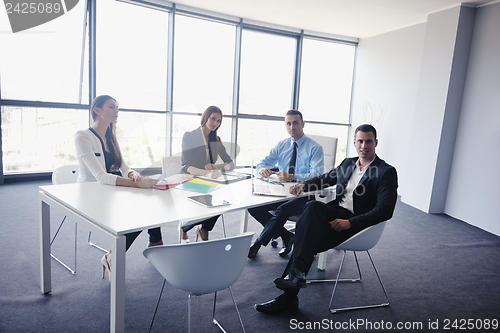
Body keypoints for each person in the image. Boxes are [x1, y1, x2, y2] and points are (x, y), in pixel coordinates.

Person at [254, 124, 398, 314]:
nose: (364, 145)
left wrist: (350, 223)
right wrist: (304, 185)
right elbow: (325, 179)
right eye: (360, 141)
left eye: (368, 141)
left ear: (376, 143)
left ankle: (289, 295)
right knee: (312, 207)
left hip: (357, 223)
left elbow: (385, 210)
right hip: (336, 213)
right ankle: (295, 276)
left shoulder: (385, 171)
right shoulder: (348, 163)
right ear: (354, 143)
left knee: (306, 238)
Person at [75, 95, 161, 280]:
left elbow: (124, 167)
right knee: (137, 212)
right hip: (90, 195)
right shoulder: (82, 136)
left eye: (117, 107)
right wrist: (137, 184)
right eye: (111, 107)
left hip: (109, 191)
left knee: (151, 201)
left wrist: (134, 175)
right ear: (97, 110)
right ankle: (111, 257)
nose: (117, 111)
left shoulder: (111, 137)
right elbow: (100, 176)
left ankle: (155, 242)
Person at [247, 110, 324, 258]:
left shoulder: (315, 148)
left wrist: (293, 176)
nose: (292, 127)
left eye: (295, 123)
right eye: (288, 123)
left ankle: (258, 243)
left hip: (304, 196)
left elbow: (317, 175)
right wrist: (263, 169)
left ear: (303, 124)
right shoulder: (281, 145)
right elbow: (262, 163)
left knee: (282, 210)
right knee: (254, 208)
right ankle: (286, 236)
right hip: (281, 194)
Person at [179, 106, 235, 243]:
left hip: (209, 180)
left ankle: (204, 228)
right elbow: (186, 166)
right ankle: (184, 227)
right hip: (191, 178)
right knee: (208, 201)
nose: (215, 123)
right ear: (205, 118)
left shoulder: (216, 140)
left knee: (224, 200)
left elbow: (231, 164)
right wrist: (206, 172)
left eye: (218, 121)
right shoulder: (189, 136)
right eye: (213, 118)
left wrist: (215, 167)